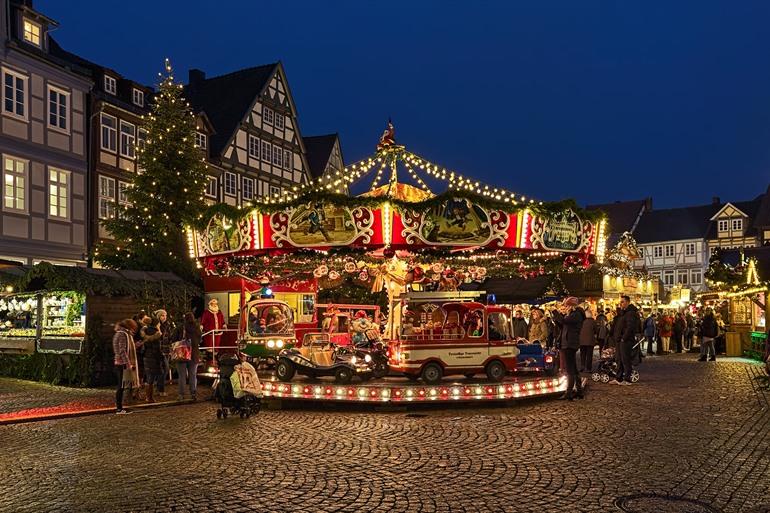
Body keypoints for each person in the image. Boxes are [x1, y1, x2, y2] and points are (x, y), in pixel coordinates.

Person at [553, 297, 585, 400]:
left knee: (570, 369)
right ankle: (579, 391)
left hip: (570, 344)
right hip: (568, 343)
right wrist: (556, 318)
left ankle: (569, 392)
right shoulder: (573, 315)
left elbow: (564, 321)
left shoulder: (576, 315)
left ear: (572, 306)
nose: (566, 308)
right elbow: (563, 324)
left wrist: (555, 311)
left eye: (567, 306)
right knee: (573, 368)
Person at [612, 295, 640, 385]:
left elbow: (630, 327)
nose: (621, 304)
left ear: (627, 302)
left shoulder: (630, 313)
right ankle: (618, 378)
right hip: (619, 340)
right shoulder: (623, 312)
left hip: (626, 340)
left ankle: (627, 379)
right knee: (619, 359)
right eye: (620, 302)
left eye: (622, 302)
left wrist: (624, 338)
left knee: (625, 359)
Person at [112, 319, 138, 414]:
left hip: (119, 362)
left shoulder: (119, 333)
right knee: (121, 386)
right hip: (121, 363)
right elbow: (122, 350)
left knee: (121, 385)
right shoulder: (123, 335)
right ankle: (119, 408)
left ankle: (120, 407)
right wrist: (128, 364)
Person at [177, 312, 201, 401]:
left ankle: (181, 394)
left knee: (182, 375)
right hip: (194, 354)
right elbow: (200, 339)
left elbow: (174, 338)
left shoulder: (181, 327)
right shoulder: (196, 327)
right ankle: (193, 393)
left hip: (182, 354)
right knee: (193, 375)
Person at [154, 309, 173, 396]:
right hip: (160, 350)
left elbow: (169, 336)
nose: (164, 317)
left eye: (165, 315)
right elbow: (159, 338)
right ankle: (160, 389)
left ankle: (159, 388)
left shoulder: (167, 325)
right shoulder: (157, 326)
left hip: (167, 350)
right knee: (164, 369)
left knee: (164, 369)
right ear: (158, 316)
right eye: (162, 315)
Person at [579, 308, 596, 373]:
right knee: (589, 355)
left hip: (582, 341)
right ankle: (588, 368)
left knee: (582, 354)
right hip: (590, 341)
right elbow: (596, 330)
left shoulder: (581, 321)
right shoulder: (593, 322)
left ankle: (582, 367)